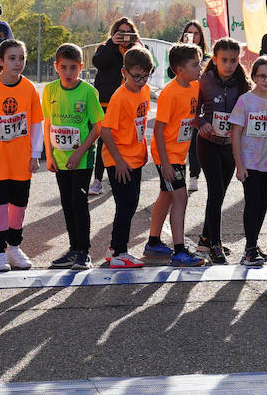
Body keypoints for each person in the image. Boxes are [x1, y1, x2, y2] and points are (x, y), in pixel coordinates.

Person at [0, 39, 45, 271]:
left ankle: (14, 246)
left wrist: (35, 154)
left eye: (21, 58)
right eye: (12, 58)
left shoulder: (29, 88)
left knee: (19, 205)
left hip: (21, 159)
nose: (18, 63)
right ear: (0, 61)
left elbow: (36, 125)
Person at [43, 43, 105, 270]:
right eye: (64, 68)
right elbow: (47, 123)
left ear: (80, 67)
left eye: (73, 68)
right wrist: (48, 155)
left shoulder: (88, 92)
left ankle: (84, 252)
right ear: (56, 67)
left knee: (79, 202)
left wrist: (80, 152)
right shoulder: (50, 90)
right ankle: (72, 249)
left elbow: (98, 127)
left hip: (83, 159)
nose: (68, 73)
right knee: (67, 203)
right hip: (59, 159)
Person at [146, 43, 206, 266]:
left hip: (178, 154)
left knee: (166, 196)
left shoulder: (194, 86)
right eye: (194, 64)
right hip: (168, 155)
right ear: (180, 69)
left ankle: (153, 243)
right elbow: (159, 130)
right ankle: (180, 250)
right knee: (181, 197)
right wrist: (165, 164)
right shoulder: (169, 93)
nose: (199, 68)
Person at [98, 45, 155, 268]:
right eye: (136, 76)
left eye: (146, 75)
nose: (141, 80)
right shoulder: (120, 98)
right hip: (119, 160)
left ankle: (115, 248)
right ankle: (119, 251)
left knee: (131, 204)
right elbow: (105, 131)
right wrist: (119, 161)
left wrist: (143, 149)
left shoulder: (145, 90)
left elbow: (138, 124)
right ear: (124, 73)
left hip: (135, 156)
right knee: (126, 204)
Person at [229, 56, 267, 267]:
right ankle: (249, 250)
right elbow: (235, 133)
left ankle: (253, 244)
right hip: (250, 161)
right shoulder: (246, 100)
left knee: (263, 205)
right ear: (254, 77)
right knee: (252, 204)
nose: (265, 79)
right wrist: (239, 164)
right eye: (261, 75)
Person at [194, 38, 249, 263]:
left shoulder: (242, 82)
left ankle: (206, 238)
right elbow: (192, 110)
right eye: (224, 60)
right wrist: (201, 123)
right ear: (214, 59)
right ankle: (215, 244)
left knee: (220, 193)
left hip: (229, 146)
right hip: (208, 144)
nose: (229, 65)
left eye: (234, 60)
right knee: (215, 191)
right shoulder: (204, 81)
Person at [89, 17, 140, 196]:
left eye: (128, 32)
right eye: (121, 32)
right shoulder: (106, 47)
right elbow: (98, 62)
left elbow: (149, 67)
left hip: (130, 103)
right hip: (107, 102)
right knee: (104, 139)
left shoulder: (138, 50)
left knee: (127, 138)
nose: (124, 36)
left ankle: (122, 173)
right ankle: (97, 180)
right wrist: (111, 43)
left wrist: (139, 46)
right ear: (113, 33)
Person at [179, 21, 210, 193]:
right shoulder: (178, 54)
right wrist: (184, 50)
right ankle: (180, 173)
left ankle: (194, 176)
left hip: (198, 104)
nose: (193, 36)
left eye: (196, 33)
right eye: (189, 33)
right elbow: (171, 73)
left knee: (194, 142)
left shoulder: (206, 58)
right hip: (181, 103)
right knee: (181, 140)